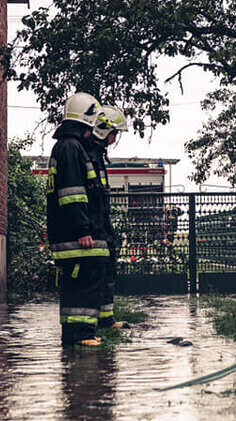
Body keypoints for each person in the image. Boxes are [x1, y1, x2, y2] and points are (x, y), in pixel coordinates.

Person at [46, 92, 111, 347]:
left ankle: (82, 332)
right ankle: (78, 334)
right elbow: (72, 193)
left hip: (73, 232)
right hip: (76, 235)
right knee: (82, 282)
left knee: (85, 280)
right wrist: (83, 229)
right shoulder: (71, 148)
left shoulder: (69, 147)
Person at [89, 105, 130, 330]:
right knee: (96, 275)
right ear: (104, 131)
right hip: (93, 229)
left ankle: (106, 319)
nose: (115, 138)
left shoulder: (97, 156)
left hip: (101, 227)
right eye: (115, 133)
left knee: (108, 272)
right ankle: (93, 323)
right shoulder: (88, 154)